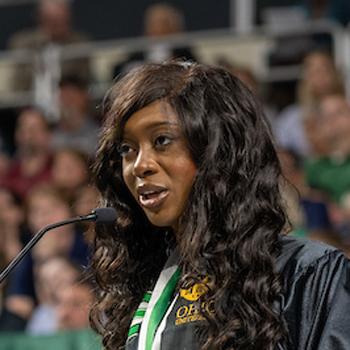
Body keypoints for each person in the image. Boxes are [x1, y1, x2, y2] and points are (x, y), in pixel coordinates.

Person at [89, 61, 350, 350]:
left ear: (217, 151)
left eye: (162, 140)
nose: (139, 166)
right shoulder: (141, 289)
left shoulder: (305, 272)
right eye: (127, 149)